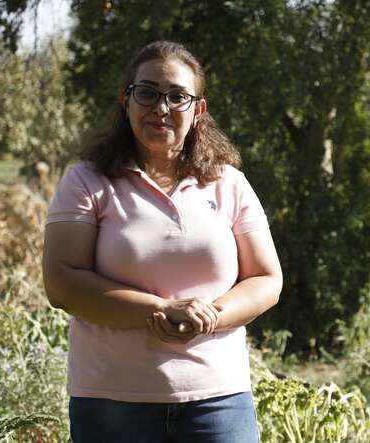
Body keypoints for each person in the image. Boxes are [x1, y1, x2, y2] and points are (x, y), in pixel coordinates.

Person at [42, 41, 282, 443]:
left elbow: (266, 279)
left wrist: (210, 317)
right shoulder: (87, 180)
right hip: (111, 404)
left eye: (177, 97)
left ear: (198, 111)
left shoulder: (229, 183)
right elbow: (62, 282)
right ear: (127, 100)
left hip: (219, 401)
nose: (161, 107)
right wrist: (164, 310)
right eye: (148, 93)